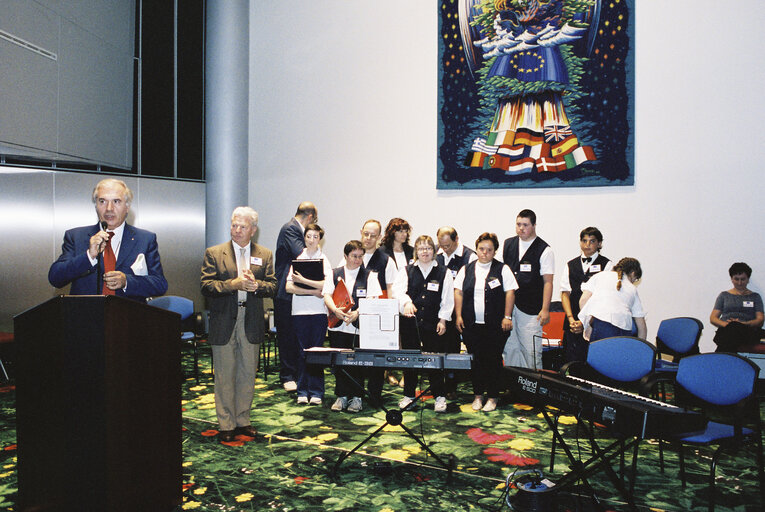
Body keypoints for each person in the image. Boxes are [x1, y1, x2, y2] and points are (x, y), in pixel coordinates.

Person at [200, 207, 276, 442]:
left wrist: (258, 286)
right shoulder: (214, 253)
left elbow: (273, 285)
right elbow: (206, 286)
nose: (236, 230)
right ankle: (226, 422)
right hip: (224, 320)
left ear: (253, 229)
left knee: (246, 372)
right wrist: (232, 284)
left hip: (251, 319)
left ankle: (243, 419)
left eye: (242, 226)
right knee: (224, 373)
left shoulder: (264, 254)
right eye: (234, 225)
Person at [48, 178, 168, 301]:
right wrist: (89, 256)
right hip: (85, 316)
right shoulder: (76, 236)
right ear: (96, 206)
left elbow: (160, 284)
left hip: (128, 317)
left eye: (116, 201)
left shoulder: (145, 239)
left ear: (127, 207)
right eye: (102, 201)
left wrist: (127, 281)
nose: (109, 208)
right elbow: (55, 278)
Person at [454, 233, 517, 412]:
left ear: (494, 251)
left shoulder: (503, 269)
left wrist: (507, 316)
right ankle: (478, 395)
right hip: (472, 325)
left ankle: (493, 396)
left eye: (489, 250)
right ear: (477, 249)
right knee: (476, 361)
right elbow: (458, 292)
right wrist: (458, 316)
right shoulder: (466, 269)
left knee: (493, 360)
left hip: (496, 326)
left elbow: (510, 292)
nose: (485, 253)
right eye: (482, 249)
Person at [393, 235, 455, 412]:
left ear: (434, 251)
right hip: (410, 324)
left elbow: (448, 299)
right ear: (416, 252)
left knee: (434, 362)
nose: (425, 252)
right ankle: (409, 396)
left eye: (428, 248)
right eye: (421, 248)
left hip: (434, 324)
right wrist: (406, 302)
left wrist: (443, 320)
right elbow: (397, 291)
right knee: (410, 361)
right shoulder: (406, 270)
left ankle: (439, 397)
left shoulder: (444, 272)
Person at [323, 240, 383, 412]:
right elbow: (327, 294)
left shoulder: (370, 275)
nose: (357, 260)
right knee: (340, 362)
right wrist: (335, 310)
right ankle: (341, 396)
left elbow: (373, 299)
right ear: (346, 256)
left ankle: (357, 397)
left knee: (358, 362)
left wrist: (358, 312)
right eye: (354, 256)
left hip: (358, 325)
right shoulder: (334, 273)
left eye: (360, 257)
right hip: (338, 324)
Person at [285, 223, 332, 405]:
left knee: (317, 352)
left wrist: (303, 281)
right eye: (308, 236)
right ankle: (302, 390)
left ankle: (317, 392)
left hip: (319, 311)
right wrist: (312, 290)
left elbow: (327, 286)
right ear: (304, 238)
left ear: (320, 239)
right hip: (300, 312)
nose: (311, 240)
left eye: (315, 237)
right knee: (302, 351)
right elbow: (289, 287)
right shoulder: (298, 258)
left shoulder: (324, 260)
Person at [502, 209, 554, 369]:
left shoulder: (545, 250)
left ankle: (533, 390)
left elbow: (548, 282)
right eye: (518, 224)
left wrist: (545, 309)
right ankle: (513, 386)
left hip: (532, 309)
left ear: (534, 225)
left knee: (530, 350)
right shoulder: (508, 244)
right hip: (509, 307)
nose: (521, 228)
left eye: (525, 225)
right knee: (510, 348)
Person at [274, 202, 317, 392]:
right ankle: (287, 375)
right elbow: (302, 254)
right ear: (310, 217)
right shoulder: (290, 229)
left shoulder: (293, 229)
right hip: (286, 293)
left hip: (297, 293)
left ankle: (296, 373)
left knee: (296, 334)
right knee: (287, 335)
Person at [436, 226, 478, 398]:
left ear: (456, 240)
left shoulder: (470, 256)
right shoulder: (437, 256)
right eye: (441, 245)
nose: (444, 249)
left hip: (463, 310)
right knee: (442, 347)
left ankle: (459, 385)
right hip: (442, 311)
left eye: (448, 245)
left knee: (463, 348)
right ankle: (443, 384)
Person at [560, 227, 613, 363]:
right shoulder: (570, 264)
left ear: (599, 244)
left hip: (593, 323)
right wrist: (571, 319)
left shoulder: (607, 265)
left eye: (592, 241)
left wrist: (586, 322)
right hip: (572, 322)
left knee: (591, 362)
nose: (587, 245)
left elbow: (604, 297)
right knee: (570, 362)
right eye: (584, 241)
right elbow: (565, 293)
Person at [578, 257, 647, 342]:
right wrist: (640, 349)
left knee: (600, 355)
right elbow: (641, 325)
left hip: (601, 324)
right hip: (624, 329)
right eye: (635, 279)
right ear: (633, 273)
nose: (633, 282)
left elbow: (583, 300)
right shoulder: (632, 288)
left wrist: (587, 325)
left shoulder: (600, 275)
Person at [710, 262, 764, 352]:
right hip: (726, 330)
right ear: (731, 279)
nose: (739, 283)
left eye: (743, 279)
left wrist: (744, 324)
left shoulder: (755, 297)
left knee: (732, 332)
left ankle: (717, 360)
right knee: (732, 330)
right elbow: (713, 318)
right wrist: (728, 325)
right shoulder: (724, 295)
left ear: (748, 279)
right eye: (736, 279)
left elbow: (760, 320)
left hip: (747, 331)